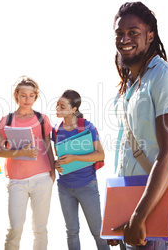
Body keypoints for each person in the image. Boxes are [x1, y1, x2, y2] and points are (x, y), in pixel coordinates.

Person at [110, 2, 168, 249]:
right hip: (130, 209)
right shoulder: (130, 85)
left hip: (154, 213)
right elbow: (125, 156)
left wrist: (139, 215)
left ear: (150, 35)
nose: (124, 38)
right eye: (119, 33)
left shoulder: (165, 78)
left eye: (133, 32)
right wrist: (114, 214)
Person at [0, 76, 55, 250]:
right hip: (17, 181)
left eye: (31, 95)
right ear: (17, 95)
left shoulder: (42, 119)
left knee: (40, 229)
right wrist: (21, 152)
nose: (27, 99)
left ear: (36, 97)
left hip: (42, 178)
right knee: (15, 228)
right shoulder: (7, 120)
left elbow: (48, 146)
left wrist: (52, 173)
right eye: (23, 95)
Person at [53, 90, 110, 250]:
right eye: (57, 104)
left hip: (87, 186)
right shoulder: (56, 129)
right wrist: (56, 164)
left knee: (98, 232)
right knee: (71, 232)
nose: (57, 108)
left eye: (62, 106)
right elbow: (58, 157)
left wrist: (75, 158)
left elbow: (100, 155)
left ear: (74, 110)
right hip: (64, 187)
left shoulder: (86, 127)